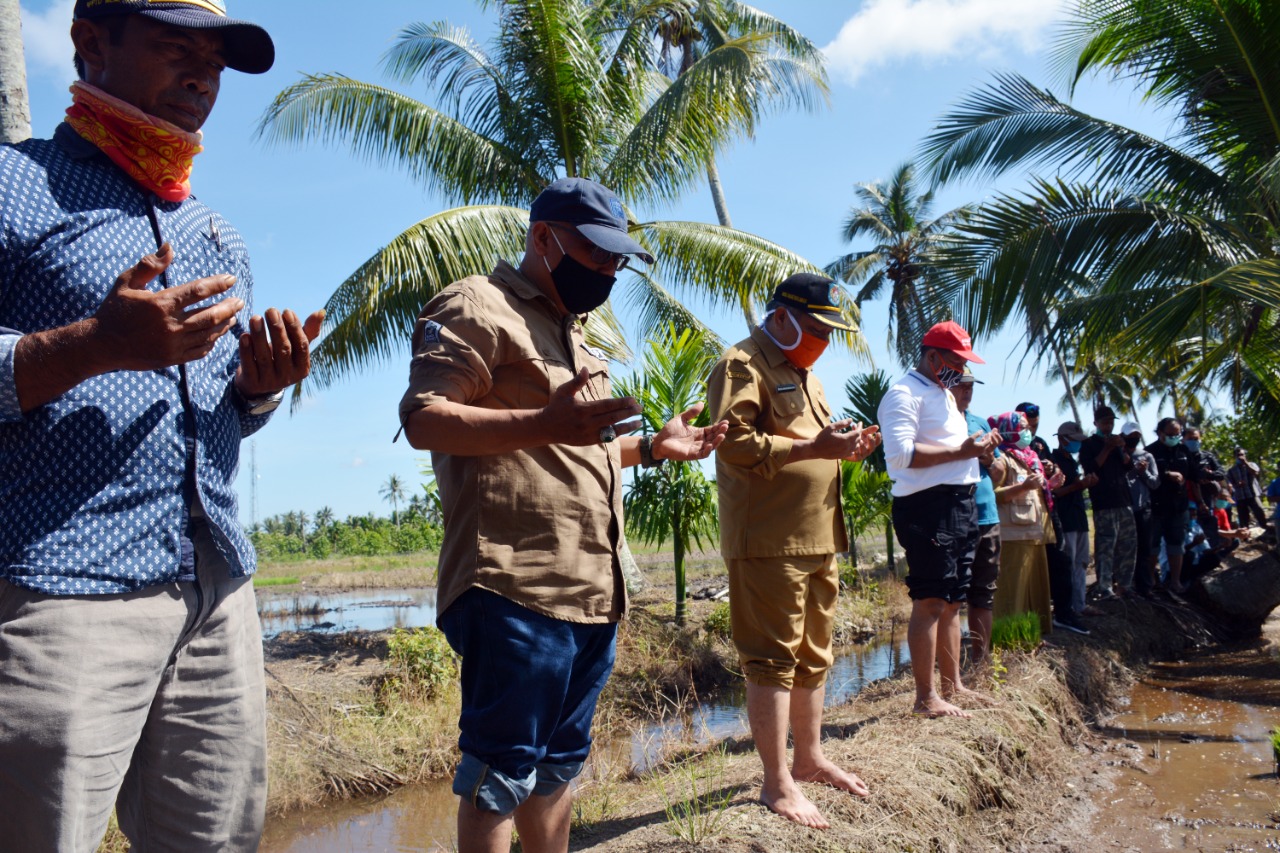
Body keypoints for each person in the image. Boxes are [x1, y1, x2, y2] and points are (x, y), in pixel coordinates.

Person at [0, 4, 326, 851]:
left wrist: (259, 391)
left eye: (214, 60)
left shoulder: (216, 235)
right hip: (59, 591)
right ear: (91, 42)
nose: (201, 75)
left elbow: (214, 424)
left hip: (217, 598)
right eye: (176, 46)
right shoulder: (11, 185)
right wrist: (96, 344)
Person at [399, 177, 728, 853]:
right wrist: (544, 419)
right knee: (500, 774)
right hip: (515, 584)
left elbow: (583, 451)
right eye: (598, 254)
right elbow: (424, 419)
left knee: (557, 770)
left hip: (592, 592)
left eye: (617, 261)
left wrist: (655, 449)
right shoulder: (478, 304)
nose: (608, 271)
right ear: (543, 239)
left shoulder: (580, 339)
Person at [708, 273, 880, 829]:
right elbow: (731, 441)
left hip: (818, 537)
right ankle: (776, 782)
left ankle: (809, 759)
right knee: (772, 659)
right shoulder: (742, 365)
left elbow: (817, 446)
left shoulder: (810, 376)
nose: (822, 342)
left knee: (814, 654)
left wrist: (847, 449)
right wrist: (812, 446)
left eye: (829, 334)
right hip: (769, 541)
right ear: (780, 316)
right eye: (813, 329)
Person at [879, 321, 1000, 719]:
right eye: (955, 361)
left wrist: (977, 451)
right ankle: (925, 697)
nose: (961, 371)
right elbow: (899, 457)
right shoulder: (904, 394)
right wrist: (961, 452)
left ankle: (953, 685)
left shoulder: (944, 394)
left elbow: (955, 450)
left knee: (953, 601)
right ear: (932, 357)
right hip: (927, 506)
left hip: (961, 504)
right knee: (930, 599)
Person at [988, 412, 1055, 639]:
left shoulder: (1030, 457)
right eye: (1023, 427)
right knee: (1012, 592)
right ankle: (1008, 641)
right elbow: (994, 495)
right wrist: (1024, 486)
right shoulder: (1003, 459)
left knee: (1036, 591)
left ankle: (1032, 638)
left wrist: (1050, 485)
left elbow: (1034, 492)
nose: (1028, 431)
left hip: (1035, 532)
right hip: (1013, 534)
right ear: (1009, 430)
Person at [951, 368, 1003, 663]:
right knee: (953, 595)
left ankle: (981, 661)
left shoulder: (981, 423)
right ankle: (951, 664)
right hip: (958, 519)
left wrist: (989, 458)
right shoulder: (941, 424)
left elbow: (996, 475)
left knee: (983, 593)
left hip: (988, 518)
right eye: (961, 385)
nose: (967, 391)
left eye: (971, 386)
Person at [1080, 406, 1137, 598]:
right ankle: (1105, 587)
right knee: (1106, 546)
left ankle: (1125, 585)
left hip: (1124, 500)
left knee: (1128, 544)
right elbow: (1091, 467)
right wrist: (1107, 447)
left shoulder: (1118, 442)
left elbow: (1128, 466)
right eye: (1105, 422)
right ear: (1096, 423)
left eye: (1111, 422)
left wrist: (1121, 448)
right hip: (1104, 503)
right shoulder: (1089, 444)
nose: (1109, 426)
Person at [1147, 417, 1204, 593]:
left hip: (1179, 506)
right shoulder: (1150, 452)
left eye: (1177, 434)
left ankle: (1175, 581)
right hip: (1156, 506)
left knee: (1176, 545)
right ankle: (1150, 580)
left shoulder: (1183, 450)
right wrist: (1166, 474)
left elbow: (1194, 475)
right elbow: (1146, 475)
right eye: (1170, 434)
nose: (1174, 437)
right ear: (1160, 433)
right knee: (1152, 545)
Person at [1049, 422, 1095, 632]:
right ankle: (1066, 609)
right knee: (1068, 563)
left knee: (1082, 562)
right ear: (1063, 439)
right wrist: (1078, 485)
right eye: (1075, 440)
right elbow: (1055, 493)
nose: (1077, 445)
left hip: (1079, 517)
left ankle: (1080, 604)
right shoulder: (1053, 460)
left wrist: (1083, 484)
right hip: (1065, 519)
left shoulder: (1071, 461)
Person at [1122, 422, 1162, 596]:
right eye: (1130, 437)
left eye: (1136, 437)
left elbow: (1155, 483)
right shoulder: (1118, 455)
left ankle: (1145, 587)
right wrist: (1131, 469)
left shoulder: (1147, 456)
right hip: (1124, 510)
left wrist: (1143, 472)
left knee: (1145, 549)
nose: (1134, 440)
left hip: (1143, 509)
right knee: (1126, 549)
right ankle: (1125, 585)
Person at [1228, 447, 1269, 528]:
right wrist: (1237, 485)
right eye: (1238, 455)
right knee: (1243, 517)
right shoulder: (1231, 470)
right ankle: (1245, 535)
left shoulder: (1252, 464)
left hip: (1253, 494)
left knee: (1259, 512)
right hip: (1240, 497)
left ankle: (1265, 528)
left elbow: (1256, 473)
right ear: (1235, 457)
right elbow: (1230, 483)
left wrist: (1246, 463)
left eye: (1242, 454)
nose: (1240, 457)